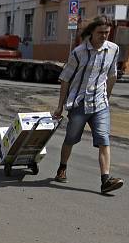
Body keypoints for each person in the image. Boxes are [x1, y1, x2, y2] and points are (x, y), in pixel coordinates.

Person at [52, 15, 124, 194]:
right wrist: (60, 106)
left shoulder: (113, 49)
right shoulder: (79, 52)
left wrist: (107, 95)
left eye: (107, 32)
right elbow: (65, 79)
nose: (104, 36)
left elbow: (112, 75)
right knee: (71, 138)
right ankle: (62, 167)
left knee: (104, 139)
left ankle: (105, 180)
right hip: (79, 103)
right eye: (100, 32)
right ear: (92, 31)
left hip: (100, 103)